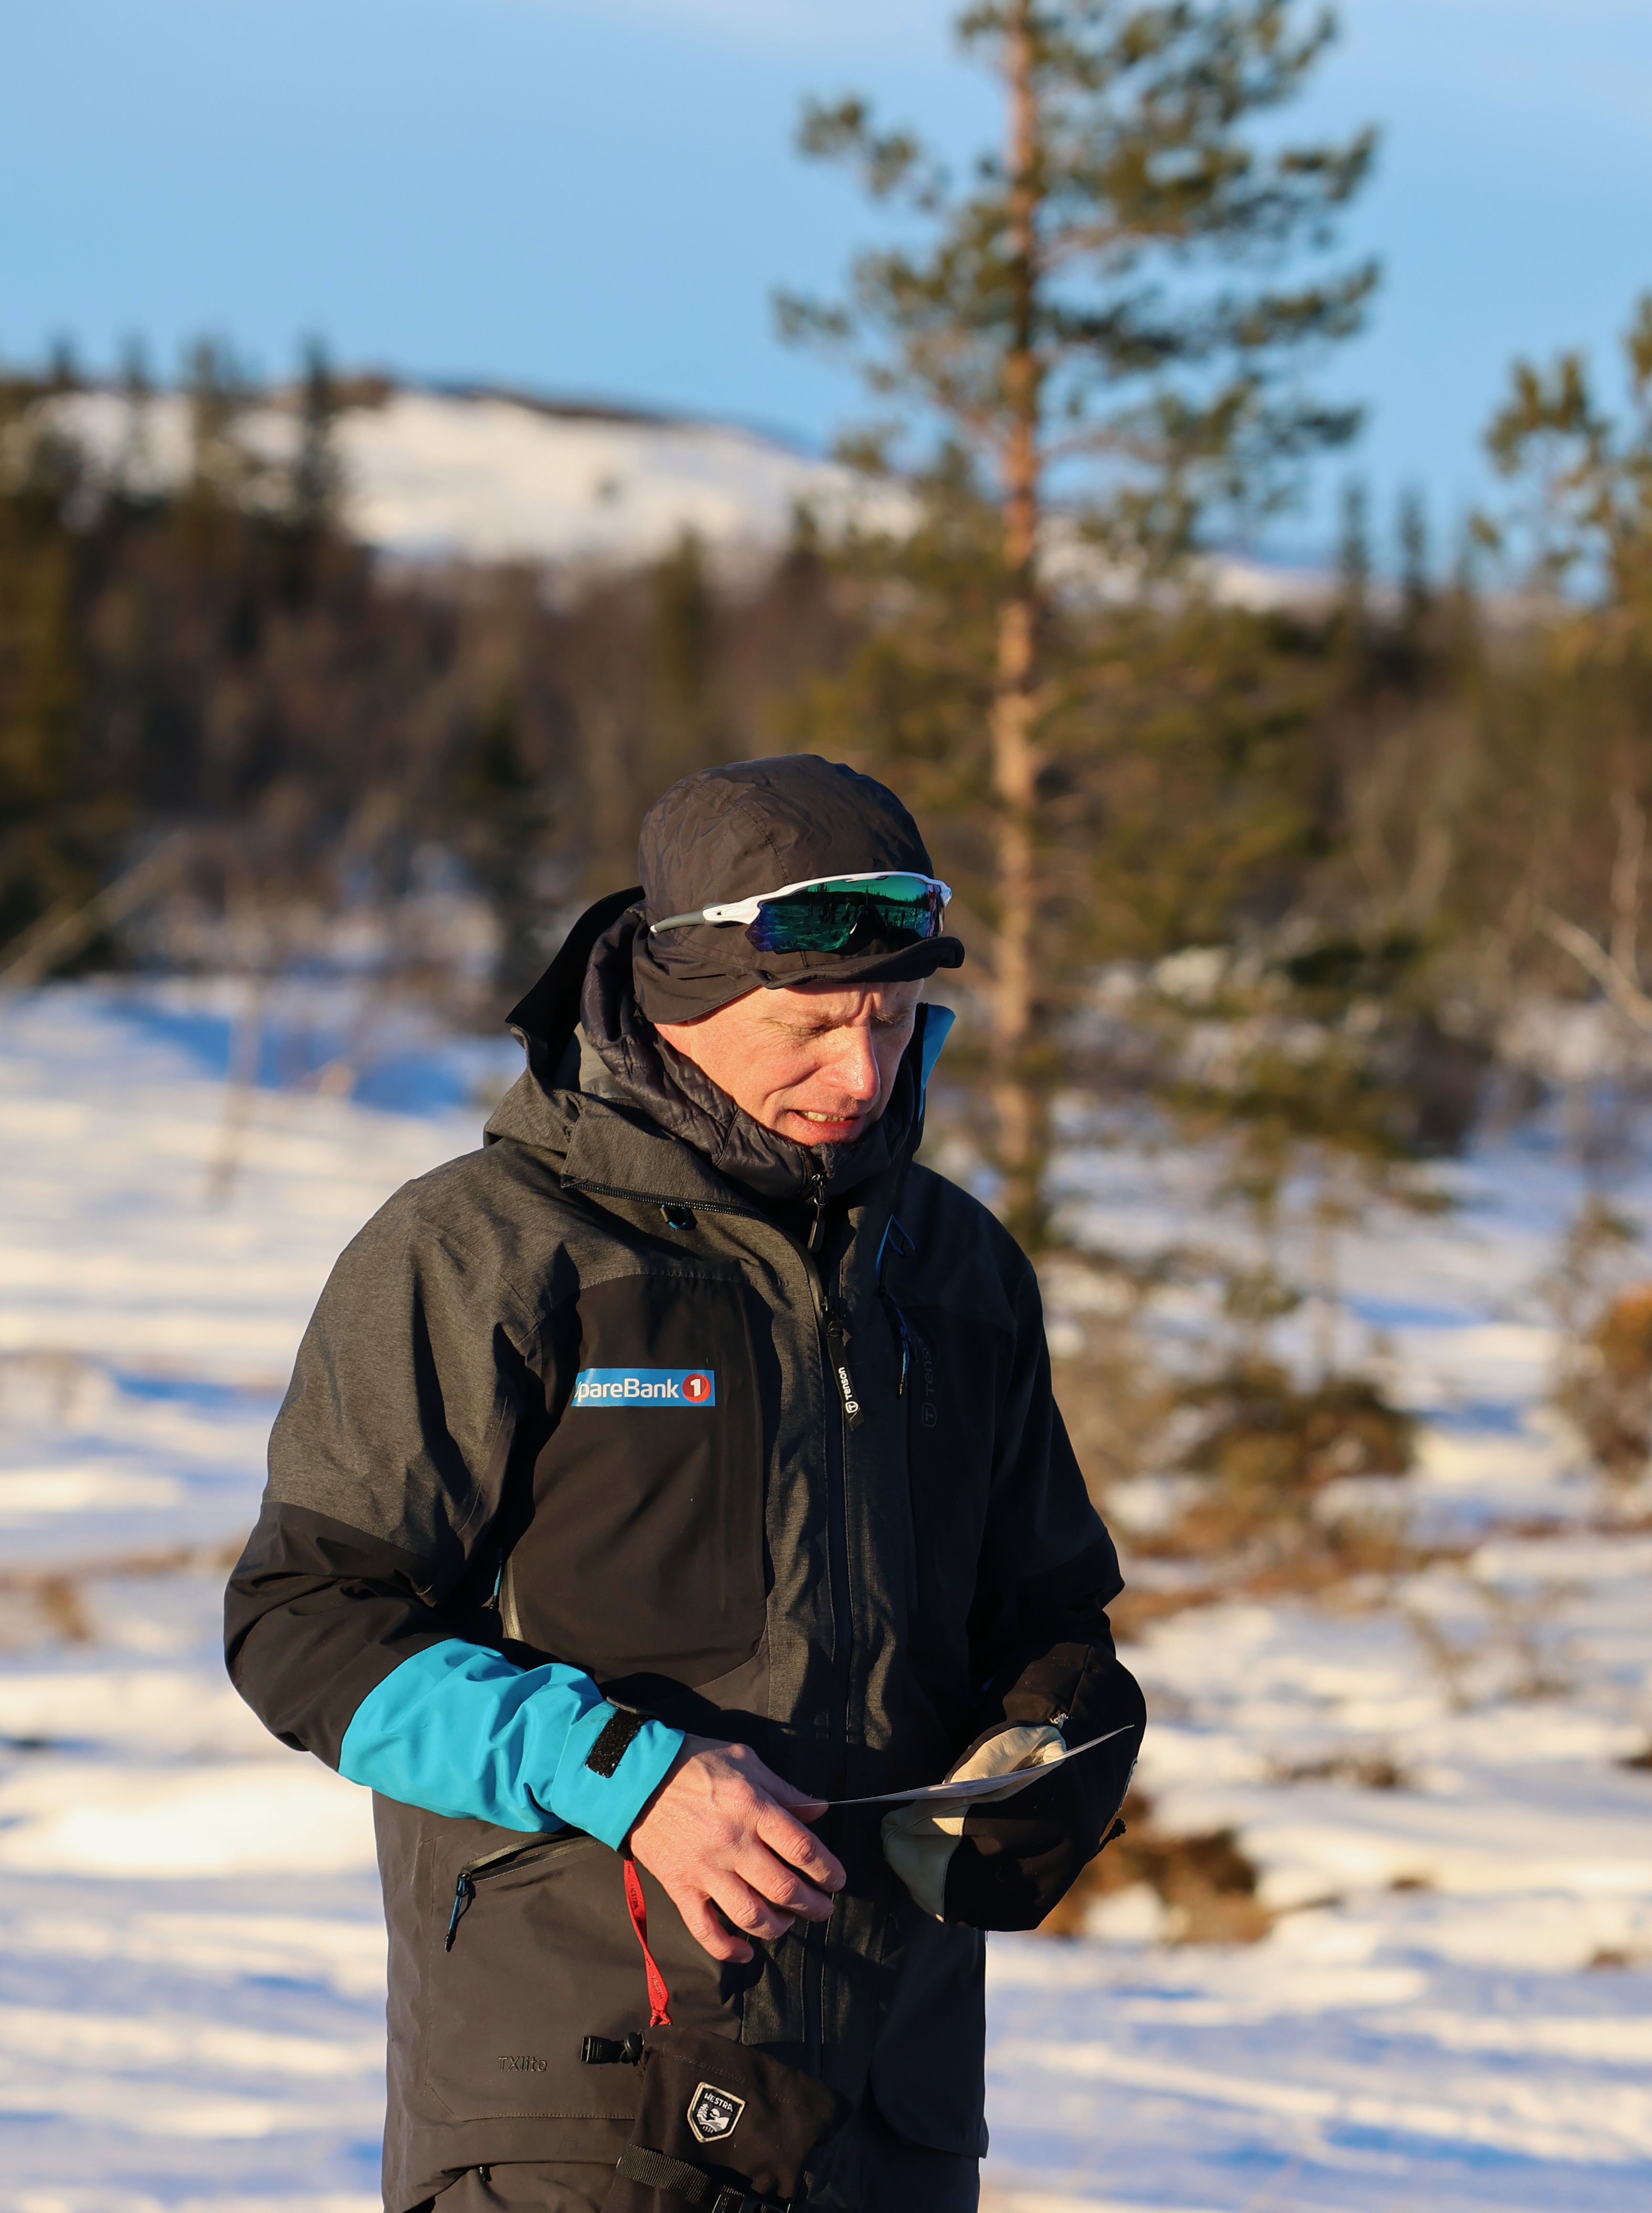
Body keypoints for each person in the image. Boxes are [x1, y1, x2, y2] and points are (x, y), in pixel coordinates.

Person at [225, 755, 1143, 2213]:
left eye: (894, 1020)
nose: (864, 1075)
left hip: (890, 2111)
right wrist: (628, 1774)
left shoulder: (957, 1270)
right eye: (811, 1024)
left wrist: (1059, 1740)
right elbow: (304, 1627)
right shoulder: (486, 1249)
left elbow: (1049, 1620)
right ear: (678, 994)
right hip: (585, 2099)